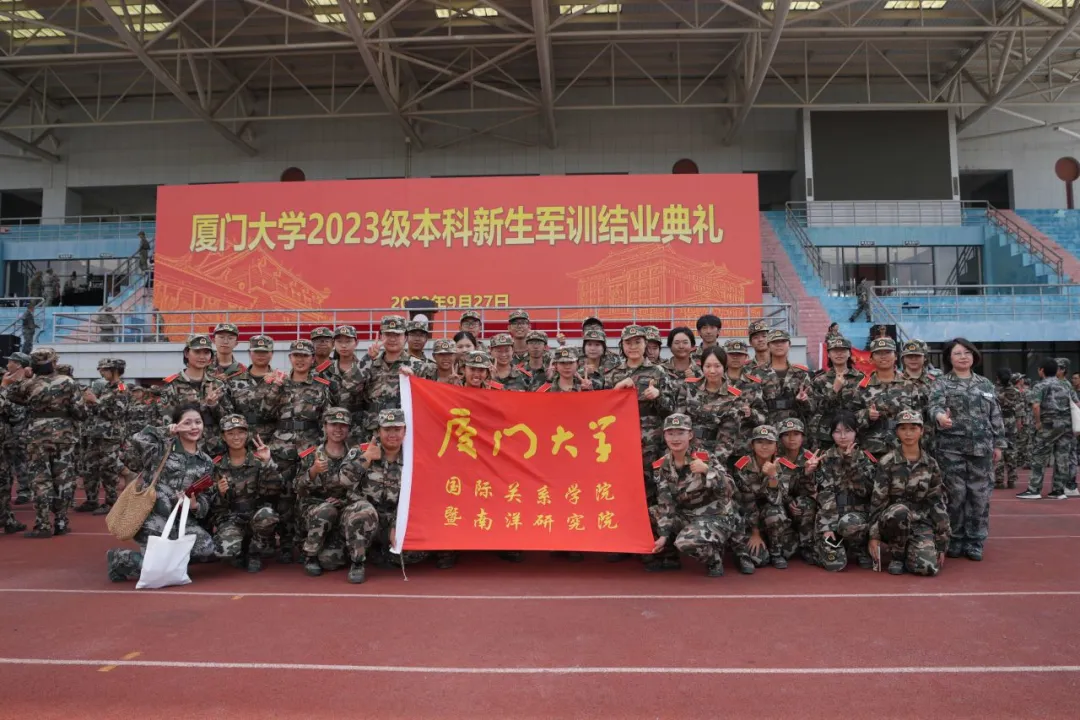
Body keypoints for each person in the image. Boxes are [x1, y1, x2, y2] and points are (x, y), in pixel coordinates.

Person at [106, 404, 216, 582]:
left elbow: (207, 496)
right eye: (187, 423)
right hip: (150, 516)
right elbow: (137, 439)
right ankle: (120, 559)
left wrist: (196, 505)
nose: (194, 427)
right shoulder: (160, 449)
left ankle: (161, 562)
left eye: (198, 422)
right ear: (176, 425)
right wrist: (165, 431)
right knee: (158, 568)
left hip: (179, 519)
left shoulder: (206, 462)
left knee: (206, 548)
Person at [928, 338, 1005, 561]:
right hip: (951, 449)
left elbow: (995, 415)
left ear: (974, 356)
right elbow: (933, 406)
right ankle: (955, 538)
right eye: (958, 353)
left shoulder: (985, 384)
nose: (963, 357)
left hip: (982, 449)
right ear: (949, 358)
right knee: (955, 495)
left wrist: (999, 444)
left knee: (979, 496)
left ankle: (975, 540)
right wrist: (940, 417)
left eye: (967, 353)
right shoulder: (942, 383)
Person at [0, 348, 87, 538]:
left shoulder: (29, 385)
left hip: (36, 437)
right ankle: (61, 522)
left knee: (40, 480)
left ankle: (43, 525)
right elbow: (81, 413)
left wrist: (27, 379)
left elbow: (13, 396)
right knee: (63, 479)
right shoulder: (68, 382)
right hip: (64, 437)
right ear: (53, 363)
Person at [261, 339, 333, 562]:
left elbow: (327, 419)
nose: (300, 360)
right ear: (290, 358)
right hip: (281, 446)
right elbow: (265, 412)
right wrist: (275, 388)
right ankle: (284, 543)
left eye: (305, 356)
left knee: (306, 494)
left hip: (309, 446)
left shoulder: (321, 385)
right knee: (282, 495)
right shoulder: (279, 382)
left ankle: (304, 543)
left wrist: (323, 448)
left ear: (313, 359)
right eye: (296, 356)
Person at [650, 413, 746, 577]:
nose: (675, 438)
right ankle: (670, 557)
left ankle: (714, 559)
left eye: (680, 433)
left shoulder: (705, 458)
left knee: (685, 542)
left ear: (690, 435)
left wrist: (708, 471)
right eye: (670, 433)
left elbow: (730, 489)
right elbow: (666, 503)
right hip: (687, 514)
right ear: (664, 436)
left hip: (715, 515)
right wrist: (664, 535)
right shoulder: (662, 465)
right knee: (648, 515)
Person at [342, 408, 422, 581]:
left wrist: (397, 525)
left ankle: (380, 551)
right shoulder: (362, 451)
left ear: (405, 431)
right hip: (363, 517)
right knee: (364, 512)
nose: (392, 434)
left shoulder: (413, 457)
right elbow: (344, 482)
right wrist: (366, 458)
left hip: (393, 519)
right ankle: (357, 563)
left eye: (397, 429)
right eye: (387, 429)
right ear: (378, 431)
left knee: (414, 554)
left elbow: (418, 497)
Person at [868, 408, 950, 576]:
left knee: (927, 568)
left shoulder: (931, 464)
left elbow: (937, 503)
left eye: (913, 428)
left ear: (922, 431)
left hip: (919, 523)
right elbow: (878, 502)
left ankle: (911, 552)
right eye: (903, 428)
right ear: (897, 432)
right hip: (891, 522)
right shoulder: (887, 462)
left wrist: (941, 543)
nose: (908, 433)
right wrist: (874, 536)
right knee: (901, 511)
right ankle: (896, 556)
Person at [295, 408, 364, 577]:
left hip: (344, 508)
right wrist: (313, 471)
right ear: (325, 426)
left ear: (349, 428)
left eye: (343, 425)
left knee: (331, 561)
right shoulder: (311, 455)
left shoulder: (356, 454)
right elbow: (298, 488)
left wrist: (344, 501)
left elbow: (363, 487)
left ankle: (354, 555)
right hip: (317, 511)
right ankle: (310, 555)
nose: (338, 429)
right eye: (333, 425)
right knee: (327, 510)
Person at [210, 415, 280, 573]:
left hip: (256, 516)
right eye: (230, 433)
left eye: (241, 432)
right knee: (225, 550)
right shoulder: (217, 465)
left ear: (247, 434)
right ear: (223, 436)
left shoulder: (258, 459)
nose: (236, 437)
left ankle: (254, 552)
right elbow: (213, 505)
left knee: (268, 515)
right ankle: (240, 549)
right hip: (231, 518)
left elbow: (275, 489)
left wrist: (268, 463)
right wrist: (220, 493)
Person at [811, 410, 878, 571]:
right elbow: (825, 493)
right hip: (832, 514)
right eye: (837, 432)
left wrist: (851, 463)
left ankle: (859, 547)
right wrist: (827, 527)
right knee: (835, 564)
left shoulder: (865, 457)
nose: (843, 436)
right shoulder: (825, 458)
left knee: (849, 523)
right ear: (831, 434)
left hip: (856, 516)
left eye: (848, 431)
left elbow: (866, 491)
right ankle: (829, 548)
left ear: (855, 432)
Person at [677, 346, 759, 462]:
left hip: (715, 453)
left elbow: (727, 438)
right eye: (707, 366)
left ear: (724, 367)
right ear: (702, 367)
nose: (712, 371)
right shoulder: (689, 387)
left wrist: (713, 464)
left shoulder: (734, 396)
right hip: (686, 450)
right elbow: (678, 421)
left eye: (717, 366)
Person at [733, 425, 796, 571]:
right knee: (759, 560)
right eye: (760, 442)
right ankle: (755, 540)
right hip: (749, 516)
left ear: (776, 446)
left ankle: (776, 551)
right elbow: (746, 501)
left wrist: (773, 476)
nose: (764, 447)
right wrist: (755, 533)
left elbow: (778, 500)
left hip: (772, 514)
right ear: (752, 445)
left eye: (769, 443)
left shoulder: (784, 465)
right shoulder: (742, 466)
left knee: (790, 550)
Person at [1017, 357, 1079, 500]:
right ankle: (1058, 490)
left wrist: (1038, 422)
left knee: (1039, 456)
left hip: (1048, 424)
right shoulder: (1066, 385)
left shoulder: (1040, 386)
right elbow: (1076, 403)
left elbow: (1036, 405)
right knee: (1062, 457)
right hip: (1066, 426)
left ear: (1041, 370)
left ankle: (1034, 489)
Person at [75, 358, 129, 515]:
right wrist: (89, 402)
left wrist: (95, 401)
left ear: (115, 370)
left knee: (108, 469)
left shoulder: (121, 388)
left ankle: (111, 503)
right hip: (95, 434)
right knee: (89, 467)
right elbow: (96, 410)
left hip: (110, 436)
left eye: (104, 370)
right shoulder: (105, 388)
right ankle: (91, 500)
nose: (101, 373)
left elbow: (116, 413)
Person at [809, 336, 863, 451]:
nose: (839, 354)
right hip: (827, 434)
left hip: (853, 432)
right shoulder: (820, 380)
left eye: (843, 350)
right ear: (828, 354)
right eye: (835, 351)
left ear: (849, 353)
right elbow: (817, 409)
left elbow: (864, 406)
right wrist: (834, 390)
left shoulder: (861, 378)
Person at [760, 329, 812, 426]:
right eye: (775, 342)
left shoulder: (801, 374)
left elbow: (812, 407)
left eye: (783, 341)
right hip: (768, 429)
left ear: (789, 344)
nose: (779, 345)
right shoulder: (758, 373)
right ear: (768, 346)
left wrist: (804, 400)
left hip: (794, 428)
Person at [994, 366, 1023, 491]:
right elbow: (1019, 410)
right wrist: (1019, 422)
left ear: (998, 377)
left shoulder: (993, 390)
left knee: (998, 449)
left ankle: (999, 480)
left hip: (997, 422)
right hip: (1011, 421)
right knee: (1011, 450)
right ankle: (1012, 480)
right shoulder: (1016, 391)